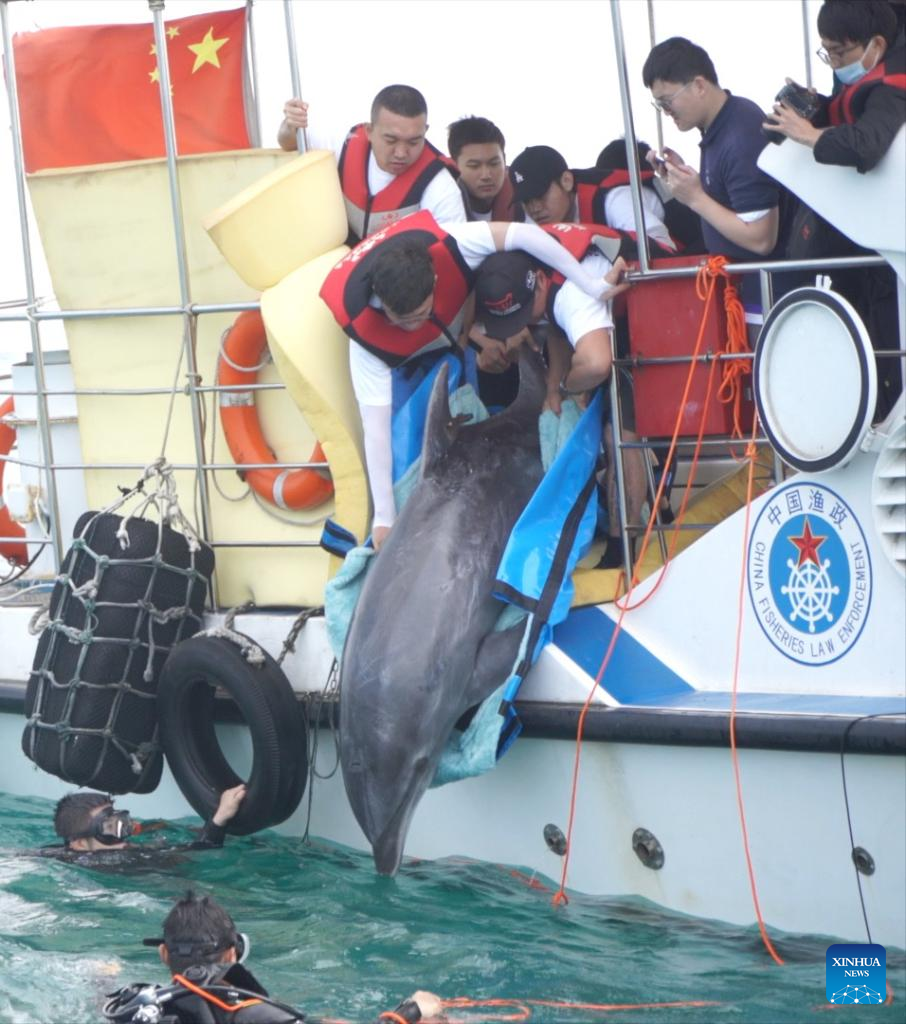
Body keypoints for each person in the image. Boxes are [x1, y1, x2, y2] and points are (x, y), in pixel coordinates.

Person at [319, 212, 627, 550]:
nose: (412, 326)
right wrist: (384, 518)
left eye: (420, 314)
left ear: (434, 280)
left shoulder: (456, 242)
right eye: (402, 320)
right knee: (405, 447)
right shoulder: (364, 343)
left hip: (457, 333)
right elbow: (375, 429)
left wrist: (592, 285)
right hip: (405, 362)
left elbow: (525, 235)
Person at [763, 0, 904, 418]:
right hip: (853, 238)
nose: (835, 63)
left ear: (876, 44)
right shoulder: (860, 65)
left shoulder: (895, 82)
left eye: (839, 53)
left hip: (885, 244)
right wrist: (814, 106)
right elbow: (847, 108)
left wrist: (809, 135)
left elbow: (869, 144)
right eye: (826, 53)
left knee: (886, 342)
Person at [472, 228, 637, 568]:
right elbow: (554, 327)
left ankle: (626, 545)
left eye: (523, 315)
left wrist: (568, 386)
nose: (525, 324)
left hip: (646, 311)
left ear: (541, 282)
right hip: (602, 325)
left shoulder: (572, 297)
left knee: (619, 435)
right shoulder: (536, 267)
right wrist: (551, 387)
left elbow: (595, 363)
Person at [103, 890, 444, 1023]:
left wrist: (101, 978)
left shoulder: (138, 1006)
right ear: (233, 953)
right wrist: (412, 1010)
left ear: (163, 954)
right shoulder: (253, 1015)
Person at [641, 37, 786, 336]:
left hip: (768, 298)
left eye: (667, 101)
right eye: (658, 104)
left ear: (699, 85)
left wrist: (695, 198)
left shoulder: (740, 135)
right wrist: (684, 181)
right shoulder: (722, 124)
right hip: (747, 290)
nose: (666, 111)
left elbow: (762, 237)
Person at [278, 85, 465, 242]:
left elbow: (455, 254)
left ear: (425, 131)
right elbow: (288, 141)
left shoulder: (441, 186)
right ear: (369, 131)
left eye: (413, 142)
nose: (401, 153)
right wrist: (290, 123)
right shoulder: (344, 141)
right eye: (391, 140)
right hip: (340, 257)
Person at [510, 143, 677, 254]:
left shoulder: (614, 199)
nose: (535, 208)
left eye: (540, 195)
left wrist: (602, 241)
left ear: (566, 181)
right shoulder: (536, 218)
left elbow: (665, 247)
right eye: (527, 200)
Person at [38, 785, 246, 862]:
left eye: (122, 821)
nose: (126, 831)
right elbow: (199, 849)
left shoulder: (55, 855)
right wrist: (220, 819)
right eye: (111, 828)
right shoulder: (120, 862)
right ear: (80, 844)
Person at [446, 116, 519, 222]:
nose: (486, 175)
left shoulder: (524, 199)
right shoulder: (440, 205)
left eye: (494, 164)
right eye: (474, 166)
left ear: (504, 160)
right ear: (454, 165)